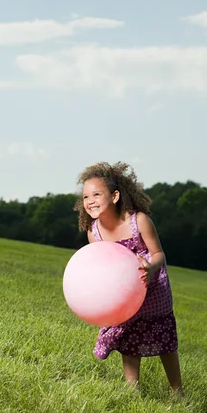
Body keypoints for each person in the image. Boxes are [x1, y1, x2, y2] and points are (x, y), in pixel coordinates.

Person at [75, 161, 183, 394]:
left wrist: (152, 268)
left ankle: (177, 390)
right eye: (85, 197)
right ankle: (132, 391)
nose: (90, 201)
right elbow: (101, 264)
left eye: (96, 194)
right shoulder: (94, 232)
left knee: (165, 341)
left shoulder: (138, 220)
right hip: (123, 294)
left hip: (151, 287)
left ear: (114, 196)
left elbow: (158, 254)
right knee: (129, 341)